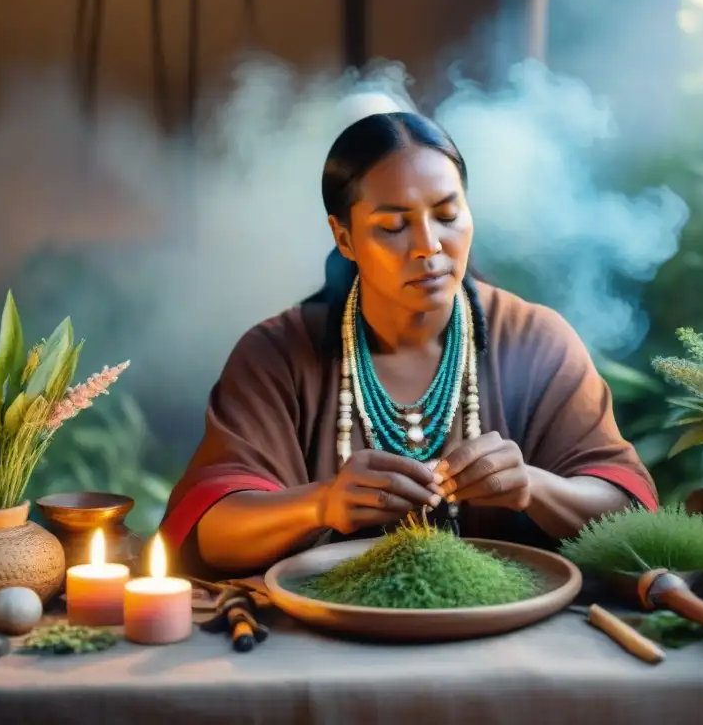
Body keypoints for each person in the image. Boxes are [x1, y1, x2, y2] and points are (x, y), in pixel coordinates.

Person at [160, 110, 658, 579]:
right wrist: (322, 504)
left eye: (447, 214)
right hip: (322, 639)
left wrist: (535, 486)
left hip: (507, 634)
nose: (429, 246)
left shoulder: (537, 340)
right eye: (394, 226)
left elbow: (629, 511)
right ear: (345, 237)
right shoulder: (277, 355)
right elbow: (210, 529)